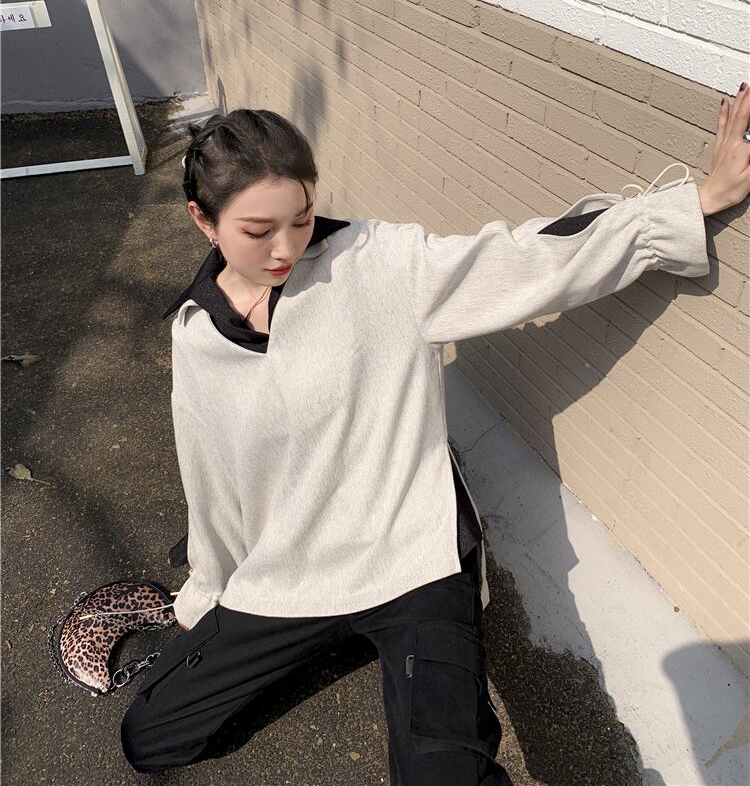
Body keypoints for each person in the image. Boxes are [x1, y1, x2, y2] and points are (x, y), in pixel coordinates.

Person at [121, 85, 750, 782]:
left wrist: (694, 203)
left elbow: (530, 257)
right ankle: (339, 634)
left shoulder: (379, 264)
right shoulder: (197, 332)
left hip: (409, 558)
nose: (285, 248)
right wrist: (208, 592)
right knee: (150, 737)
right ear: (203, 221)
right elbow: (210, 477)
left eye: (300, 219)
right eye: (258, 230)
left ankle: (396, 645)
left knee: (443, 773)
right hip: (293, 570)